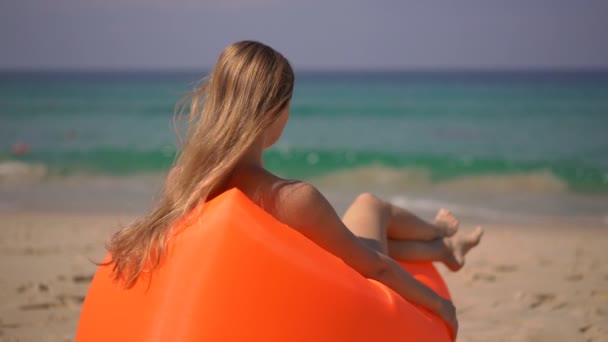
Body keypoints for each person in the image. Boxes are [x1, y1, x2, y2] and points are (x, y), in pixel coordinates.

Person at [106, 40, 483, 339]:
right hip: (341, 296)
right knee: (371, 205)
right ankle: (440, 232)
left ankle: (445, 248)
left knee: (349, 235)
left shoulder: (182, 182)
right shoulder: (294, 198)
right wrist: (440, 307)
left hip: (268, 295)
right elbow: (378, 269)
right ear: (276, 113)